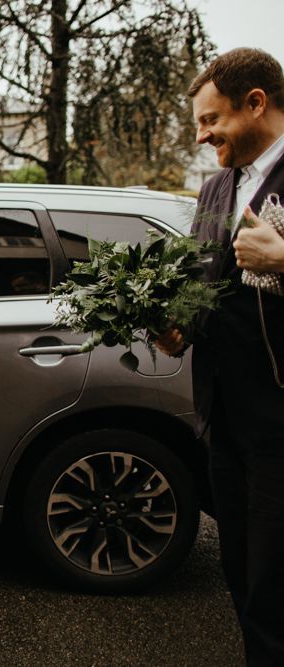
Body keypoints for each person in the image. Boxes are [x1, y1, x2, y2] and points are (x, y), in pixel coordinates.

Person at [156, 48, 284, 666]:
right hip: (224, 418)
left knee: (274, 578)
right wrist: (179, 327)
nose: (203, 137)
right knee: (240, 568)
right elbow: (202, 284)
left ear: (255, 102)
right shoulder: (213, 189)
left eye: (211, 121)